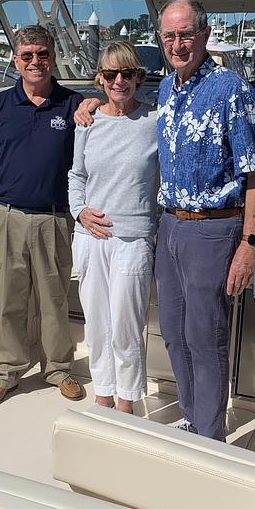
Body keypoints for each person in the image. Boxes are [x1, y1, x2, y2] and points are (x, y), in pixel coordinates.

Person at [75, 0, 255, 441]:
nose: (178, 44)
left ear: (204, 33)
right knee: (175, 335)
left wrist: (249, 244)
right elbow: (124, 114)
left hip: (213, 228)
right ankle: (191, 414)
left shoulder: (231, 90)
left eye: (186, 34)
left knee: (206, 336)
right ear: (160, 39)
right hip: (169, 226)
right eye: (169, 36)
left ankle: (209, 434)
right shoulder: (166, 91)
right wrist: (89, 104)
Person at [0, 25, 86, 407]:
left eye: (43, 53)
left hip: (55, 218)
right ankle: (6, 371)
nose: (36, 61)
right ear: (16, 61)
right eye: (28, 55)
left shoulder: (73, 105)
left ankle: (58, 369)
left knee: (54, 300)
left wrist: (96, 103)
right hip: (7, 216)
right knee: (9, 300)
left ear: (53, 56)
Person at [68, 42, 158, 414]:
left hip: (133, 239)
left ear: (139, 77)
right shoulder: (87, 122)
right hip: (90, 239)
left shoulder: (155, 121)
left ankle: (126, 404)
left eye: (127, 73)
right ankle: (102, 396)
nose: (119, 81)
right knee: (97, 326)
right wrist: (79, 212)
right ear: (99, 80)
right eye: (110, 74)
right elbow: (77, 175)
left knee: (126, 327)